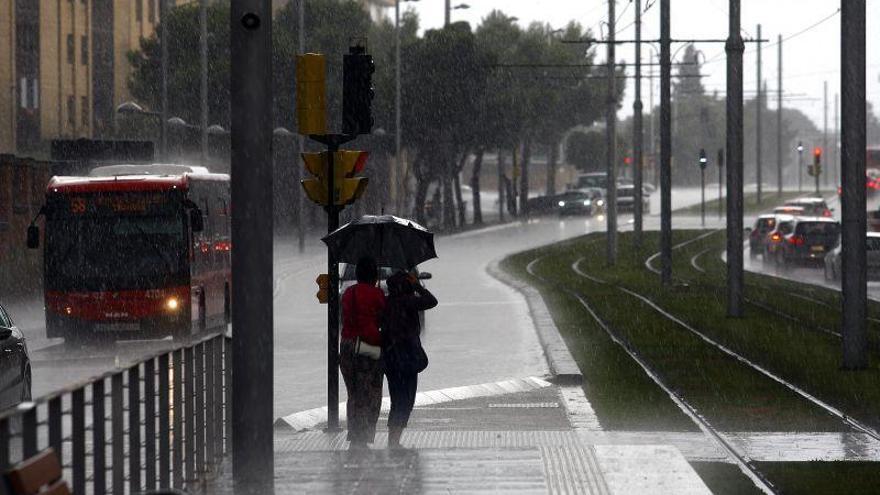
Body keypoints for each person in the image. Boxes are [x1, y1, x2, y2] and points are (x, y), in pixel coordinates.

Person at [383, 271, 438, 449]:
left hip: (391, 358)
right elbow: (432, 301)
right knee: (406, 399)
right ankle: (394, 440)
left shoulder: (387, 302)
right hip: (408, 358)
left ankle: (393, 438)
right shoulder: (409, 301)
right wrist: (417, 286)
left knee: (397, 398)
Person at [340, 256, 386, 449]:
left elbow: (344, 318)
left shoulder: (348, 293)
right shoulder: (377, 294)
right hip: (369, 345)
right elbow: (384, 319)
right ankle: (364, 435)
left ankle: (354, 434)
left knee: (354, 393)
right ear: (374, 275)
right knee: (371, 391)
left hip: (348, 345)